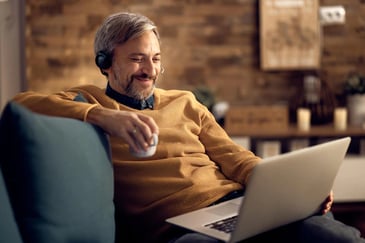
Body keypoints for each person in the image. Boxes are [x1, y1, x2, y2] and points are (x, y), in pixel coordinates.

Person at [13, 12, 364, 243]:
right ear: (105, 63)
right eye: (136, 59)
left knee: (339, 239)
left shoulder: (185, 101)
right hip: (180, 228)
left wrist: (291, 191)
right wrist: (104, 116)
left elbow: (235, 158)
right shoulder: (88, 101)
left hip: (242, 206)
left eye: (155, 59)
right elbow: (21, 103)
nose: (148, 69)